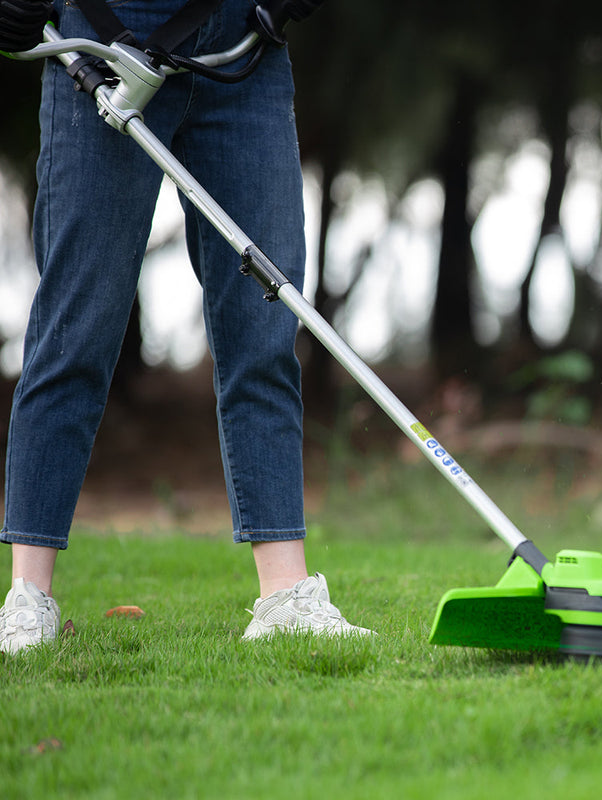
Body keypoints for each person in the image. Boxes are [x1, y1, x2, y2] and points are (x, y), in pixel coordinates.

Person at [0, 0, 372, 654]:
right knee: (74, 332)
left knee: (265, 332)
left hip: (244, 49)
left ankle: (285, 596)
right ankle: (28, 600)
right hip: (103, 40)